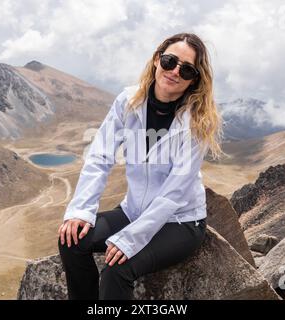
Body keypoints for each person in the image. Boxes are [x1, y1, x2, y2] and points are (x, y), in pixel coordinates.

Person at [58, 32, 223, 300]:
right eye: (170, 61)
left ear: (195, 80)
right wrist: (81, 212)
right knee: (72, 239)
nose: (175, 72)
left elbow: (173, 194)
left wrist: (130, 239)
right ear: (157, 59)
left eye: (187, 69)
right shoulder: (128, 101)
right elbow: (100, 156)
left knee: (116, 269)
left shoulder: (196, 123)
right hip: (133, 210)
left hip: (179, 222)